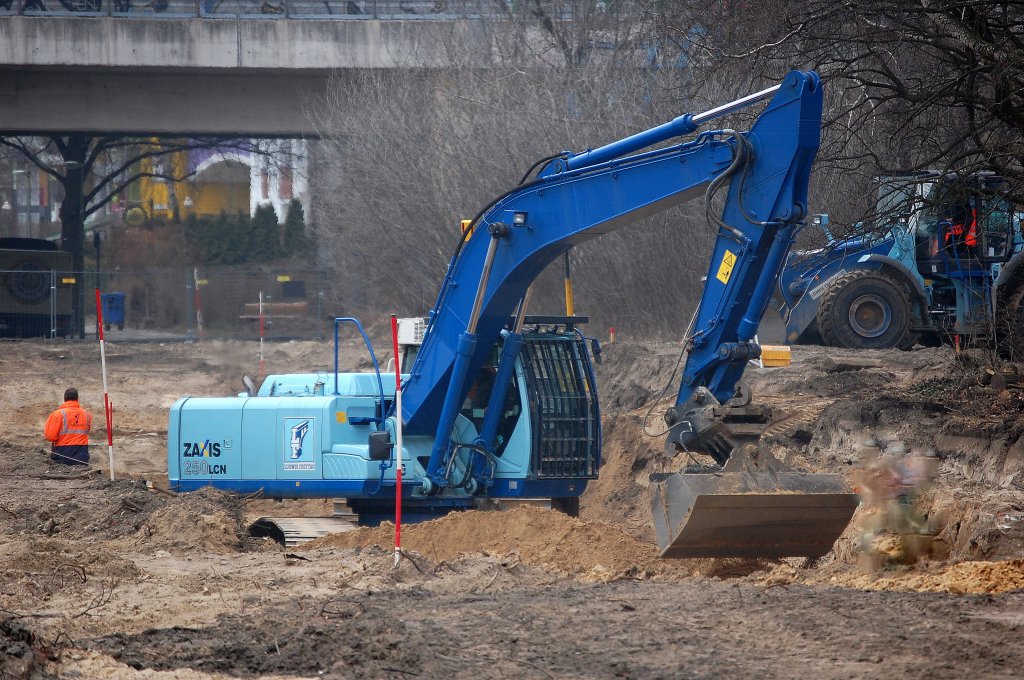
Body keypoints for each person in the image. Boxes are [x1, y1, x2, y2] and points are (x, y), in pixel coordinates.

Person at [44, 388, 93, 465]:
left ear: (65, 399)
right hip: (82, 455)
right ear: (77, 399)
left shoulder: (58, 414)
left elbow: (50, 437)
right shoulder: (87, 415)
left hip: (63, 455)